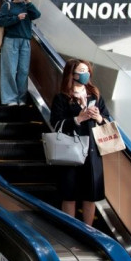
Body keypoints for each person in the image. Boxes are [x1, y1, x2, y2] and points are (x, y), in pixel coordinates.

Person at [50, 59, 111, 226]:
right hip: (70, 151)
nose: (86, 74)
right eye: (81, 71)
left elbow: (107, 120)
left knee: (90, 195)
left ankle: (88, 230)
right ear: (72, 74)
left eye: (87, 71)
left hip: (92, 151)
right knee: (69, 194)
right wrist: (78, 118)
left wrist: (98, 117)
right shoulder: (62, 98)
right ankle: (71, 230)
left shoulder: (95, 95)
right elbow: (56, 124)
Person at [0, 0, 41, 105]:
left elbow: (37, 15)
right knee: (9, 70)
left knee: (23, 70)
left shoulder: (27, 6)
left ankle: (21, 98)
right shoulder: (8, 5)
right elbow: (1, 21)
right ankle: (10, 98)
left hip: (25, 41)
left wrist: (29, 2)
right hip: (11, 40)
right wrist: (16, 18)